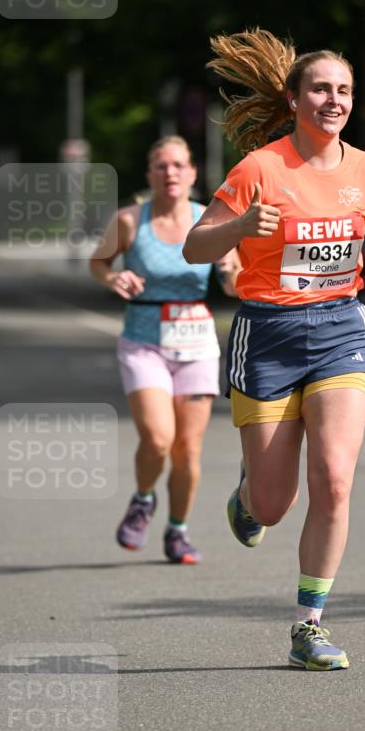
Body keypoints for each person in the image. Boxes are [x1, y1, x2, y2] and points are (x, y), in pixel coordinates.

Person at [183, 29, 365, 668]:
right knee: (273, 505)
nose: (333, 100)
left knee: (335, 480)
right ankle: (248, 495)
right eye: (320, 89)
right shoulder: (260, 168)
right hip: (268, 335)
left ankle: (309, 626)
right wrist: (239, 226)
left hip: (341, 329)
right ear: (294, 99)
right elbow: (194, 247)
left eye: (344, 90)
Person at [90, 135, 239, 563]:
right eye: (161, 165)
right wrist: (112, 278)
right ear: (150, 174)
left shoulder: (212, 220)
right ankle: (143, 498)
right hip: (144, 343)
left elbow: (235, 283)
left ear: (192, 174)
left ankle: (178, 530)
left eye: (178, 165)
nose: (170, 172)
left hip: (197, 344)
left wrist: (229, 271)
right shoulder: (129, 221)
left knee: (187, 449)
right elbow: (98, 262)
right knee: (158, 439)